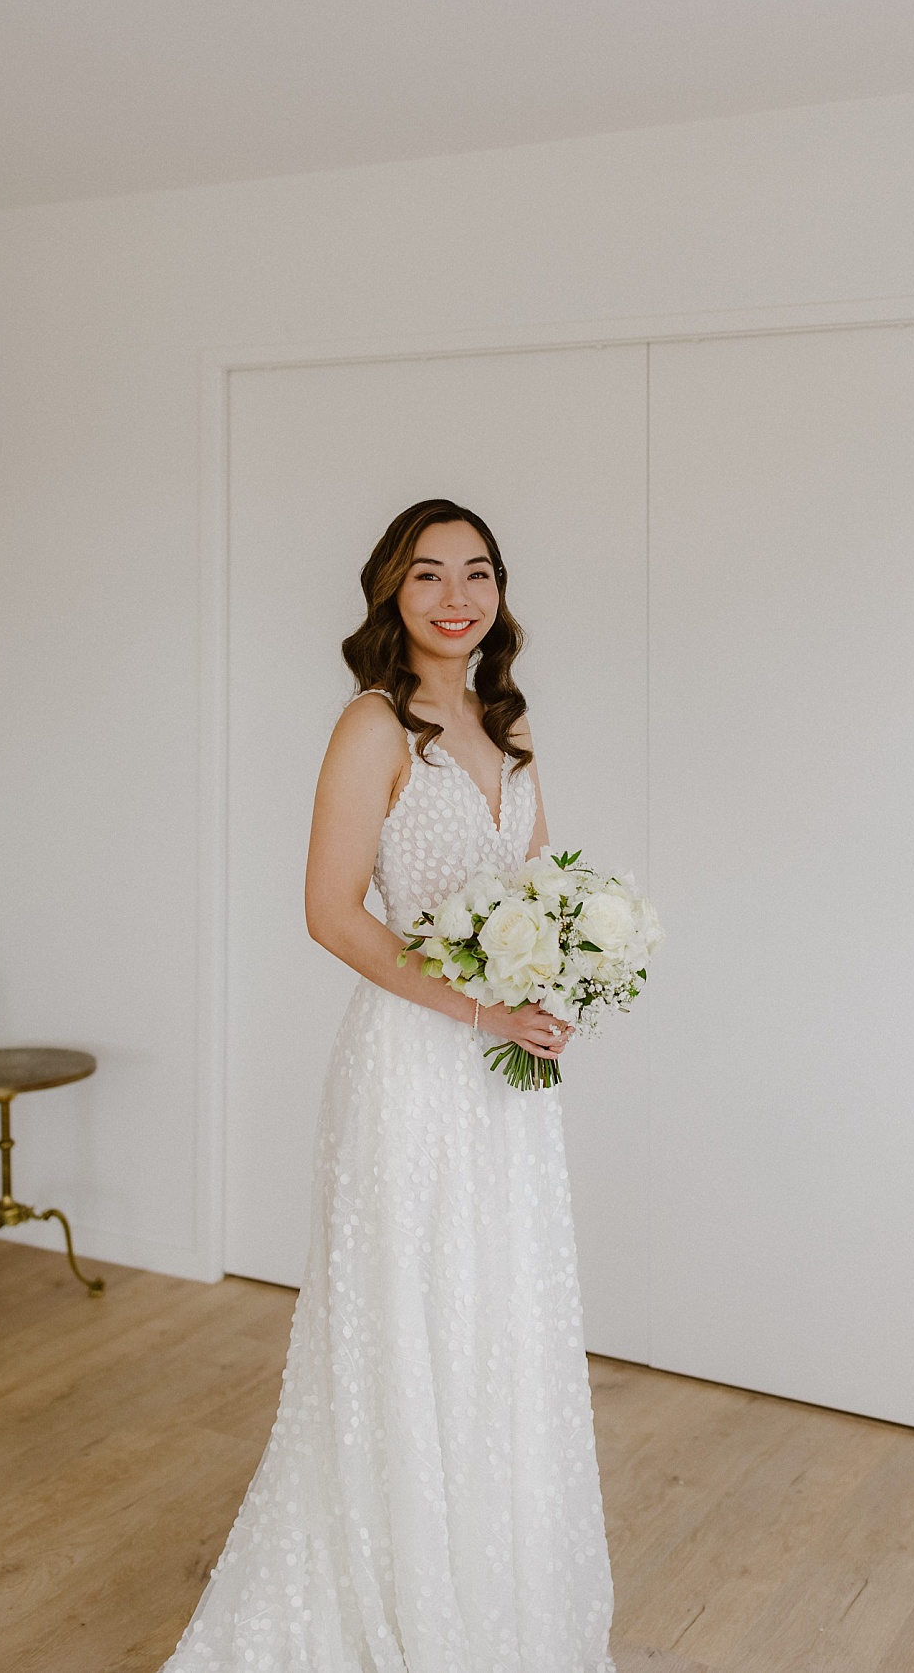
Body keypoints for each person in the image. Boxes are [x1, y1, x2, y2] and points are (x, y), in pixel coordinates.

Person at [164, 498, 615, 1672]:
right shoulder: (374, 726)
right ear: (390, 593)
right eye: (429, 575)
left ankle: (491, 1584)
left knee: (498, 1314)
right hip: (412, 1067)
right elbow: (327, 913)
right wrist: (474, 1003)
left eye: (477, 572)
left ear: (501, 594)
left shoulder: (506, 730)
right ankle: (394, 1586)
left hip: (505, 1078)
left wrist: (562, 970)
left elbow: (539, 888)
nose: (456, 595)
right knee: (408, 1315)